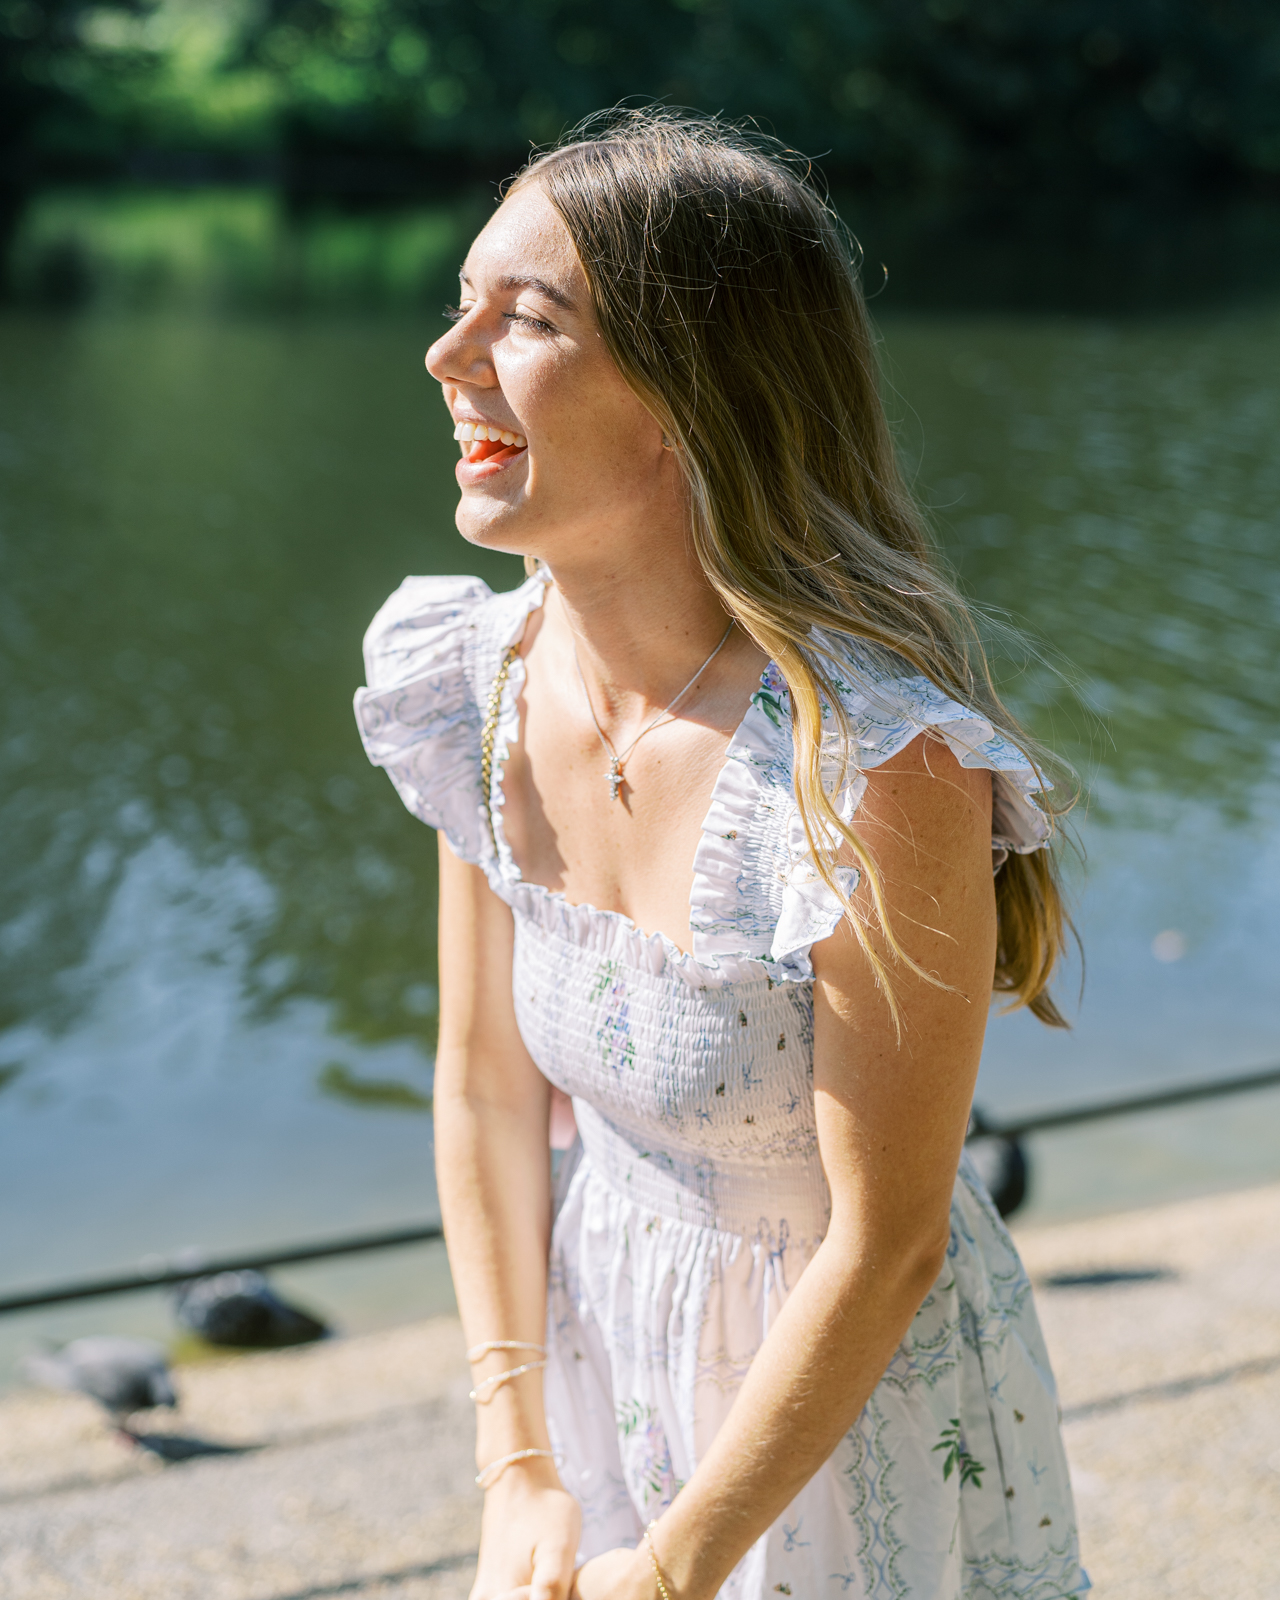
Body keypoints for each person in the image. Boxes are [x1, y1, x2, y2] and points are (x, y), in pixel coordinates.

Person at [355, 109, 1087, 1600]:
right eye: (462, 299)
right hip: (600, 1354)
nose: (449, 354)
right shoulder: (477, 681)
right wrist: (518, 1470)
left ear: (692, 395)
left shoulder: (877, 768)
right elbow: (487, 1087)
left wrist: (681, 1565)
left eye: (528, 315)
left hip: (844, 1426)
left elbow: (886, 1249)